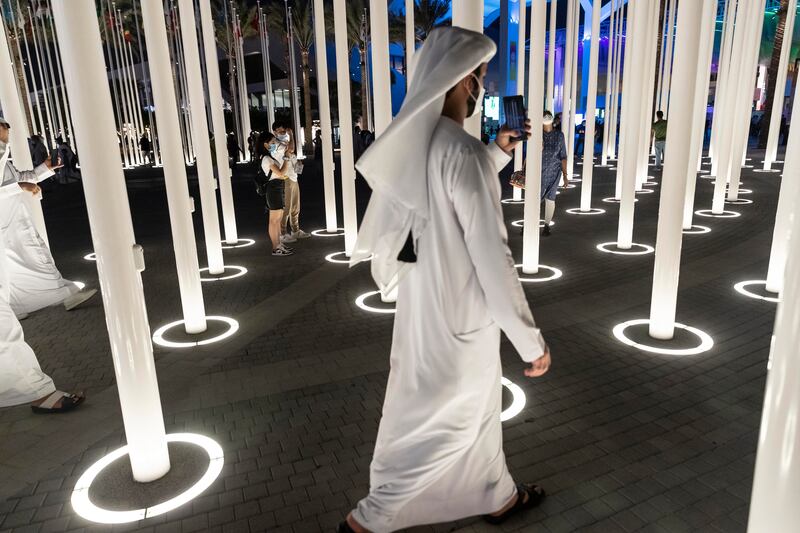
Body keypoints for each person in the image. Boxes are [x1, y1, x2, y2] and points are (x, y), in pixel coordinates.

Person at [342, 27, 551, 533]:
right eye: (479, 76)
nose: (482, 86)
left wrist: (496, 156)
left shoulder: (424, 147)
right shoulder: (462, 152)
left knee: (473, 419)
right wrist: (529, 341)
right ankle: (367, 521)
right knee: (444, 426)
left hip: (422, 314)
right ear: (462, 82)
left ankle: (497, 495)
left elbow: (434, 210)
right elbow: (493, 258)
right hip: (461, 324)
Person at [0, 118, 96, 317]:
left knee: (27, 263)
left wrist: (45, 168)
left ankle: (19, 307)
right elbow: (17, 184)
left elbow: (20, 178)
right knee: (33, 260)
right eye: (3, 130)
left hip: (13, 222)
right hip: (8, 225)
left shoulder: (3, 156)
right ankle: (62, 296)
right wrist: (21, 186)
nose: (6, 134)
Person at [256, 131, 293, 256]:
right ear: (265, 144)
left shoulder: (269, 157)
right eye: (272, 142)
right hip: (273, 188)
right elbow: (281, 173)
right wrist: (287, 158)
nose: (274, 144)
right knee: (274, 220)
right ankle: (275, 247)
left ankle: (279, 244)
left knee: (277, 220)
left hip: (277, 187)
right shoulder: (266, 159)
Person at [272, 119, 310, 243]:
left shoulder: (285, 143)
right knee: (286, 208)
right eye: (280, 131)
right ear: (275, 132)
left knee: (295, 207)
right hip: (285, 178)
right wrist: (292, 135)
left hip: (293, 177)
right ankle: (283, 233)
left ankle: (295, 230)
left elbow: (291, 154)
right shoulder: (274, 144)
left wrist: (297, 163)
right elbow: (292, 149)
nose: (283, 132)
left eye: (284, 130)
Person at [539, 110, 569, 237]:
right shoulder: (537, 135)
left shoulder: (559, 135)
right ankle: (528, 224)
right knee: (535, 198)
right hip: (538, 172)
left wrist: (565, 175)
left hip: (554, 172)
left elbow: (563, 156)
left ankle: (546, 225)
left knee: (550, 198)